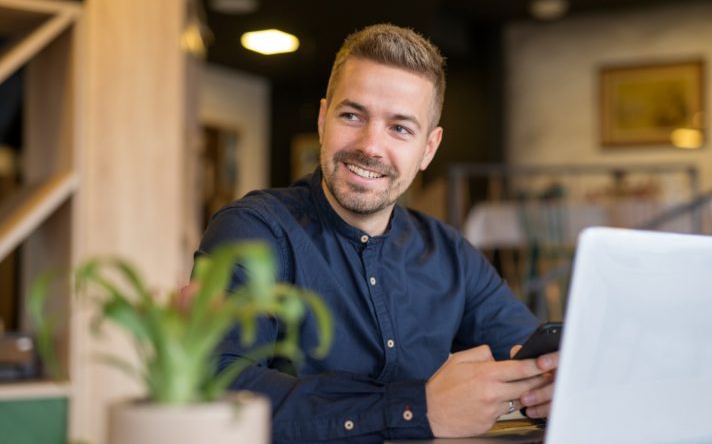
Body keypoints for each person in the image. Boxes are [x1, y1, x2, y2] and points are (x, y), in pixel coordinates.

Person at [195, 23, 558, 443]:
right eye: (352, 115)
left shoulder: (450, 253)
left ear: (428, 149)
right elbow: (218, 384)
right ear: (322, 119)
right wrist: (416, 407)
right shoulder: (253, 231)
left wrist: (546, 385)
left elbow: (525, 351)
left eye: (400, 128)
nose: (370, 146)